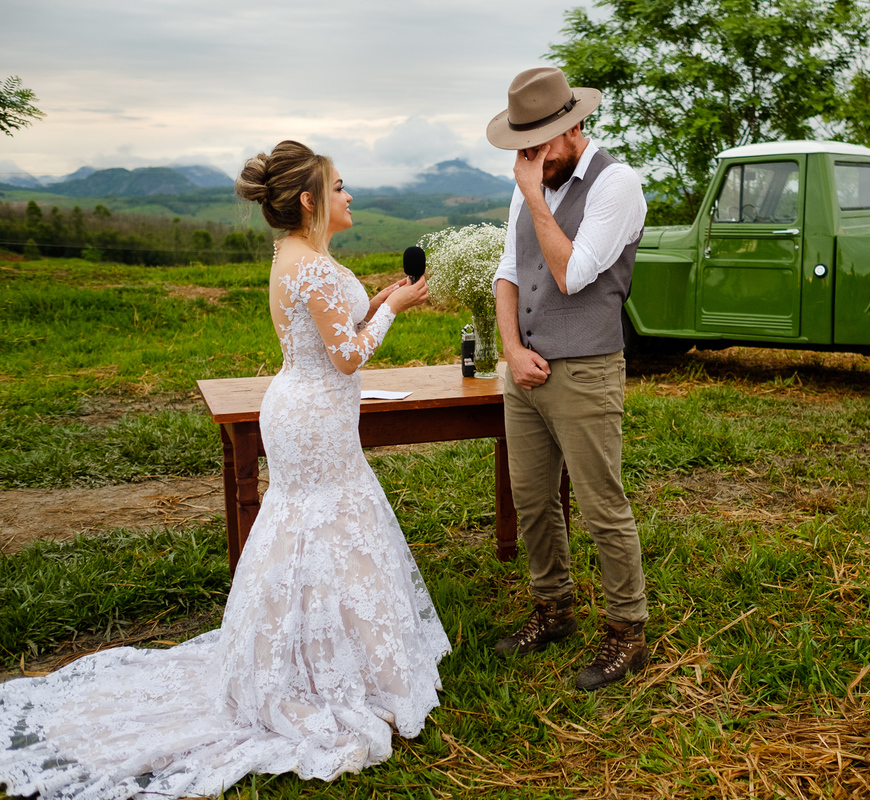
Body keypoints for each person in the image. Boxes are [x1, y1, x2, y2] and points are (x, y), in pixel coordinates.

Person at [0, 141, 450, 800]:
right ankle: (323, 673)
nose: (350, 195)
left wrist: (374, 299)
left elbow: (322, 330)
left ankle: (305, 654)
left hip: (298, 404)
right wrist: (394, 310)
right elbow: (349, 358)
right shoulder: (315, 266)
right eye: (341, 185)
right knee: (325, 521)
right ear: (309, 199)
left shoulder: (290, 257)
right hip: (317, 413)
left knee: (305, 524)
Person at [484, 67, 649, 691]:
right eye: (523, 146)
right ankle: (553, 608)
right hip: (524, 371)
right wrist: (510, 350)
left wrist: (533, 195)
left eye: (542, 144)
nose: (530, 159)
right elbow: (508, 272)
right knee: (532, 500)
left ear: (574, 127)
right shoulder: (533, 175)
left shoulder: (617, 185)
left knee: (602, 505)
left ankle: (626, 631)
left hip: (586, 373)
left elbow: (572, 274)